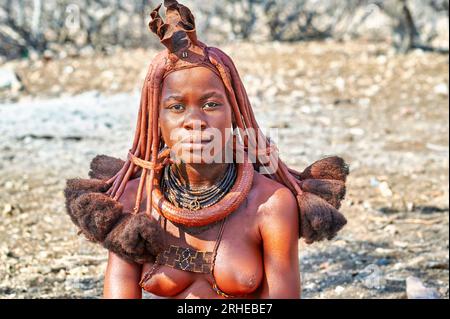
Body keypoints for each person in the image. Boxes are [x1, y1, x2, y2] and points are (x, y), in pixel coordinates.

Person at [64, 0, 349, 299]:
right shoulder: (135, 201)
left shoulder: (270, 204)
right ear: (156, 120)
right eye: (176, 107)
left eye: (211, 105)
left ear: (234, 114)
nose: (195, 122)